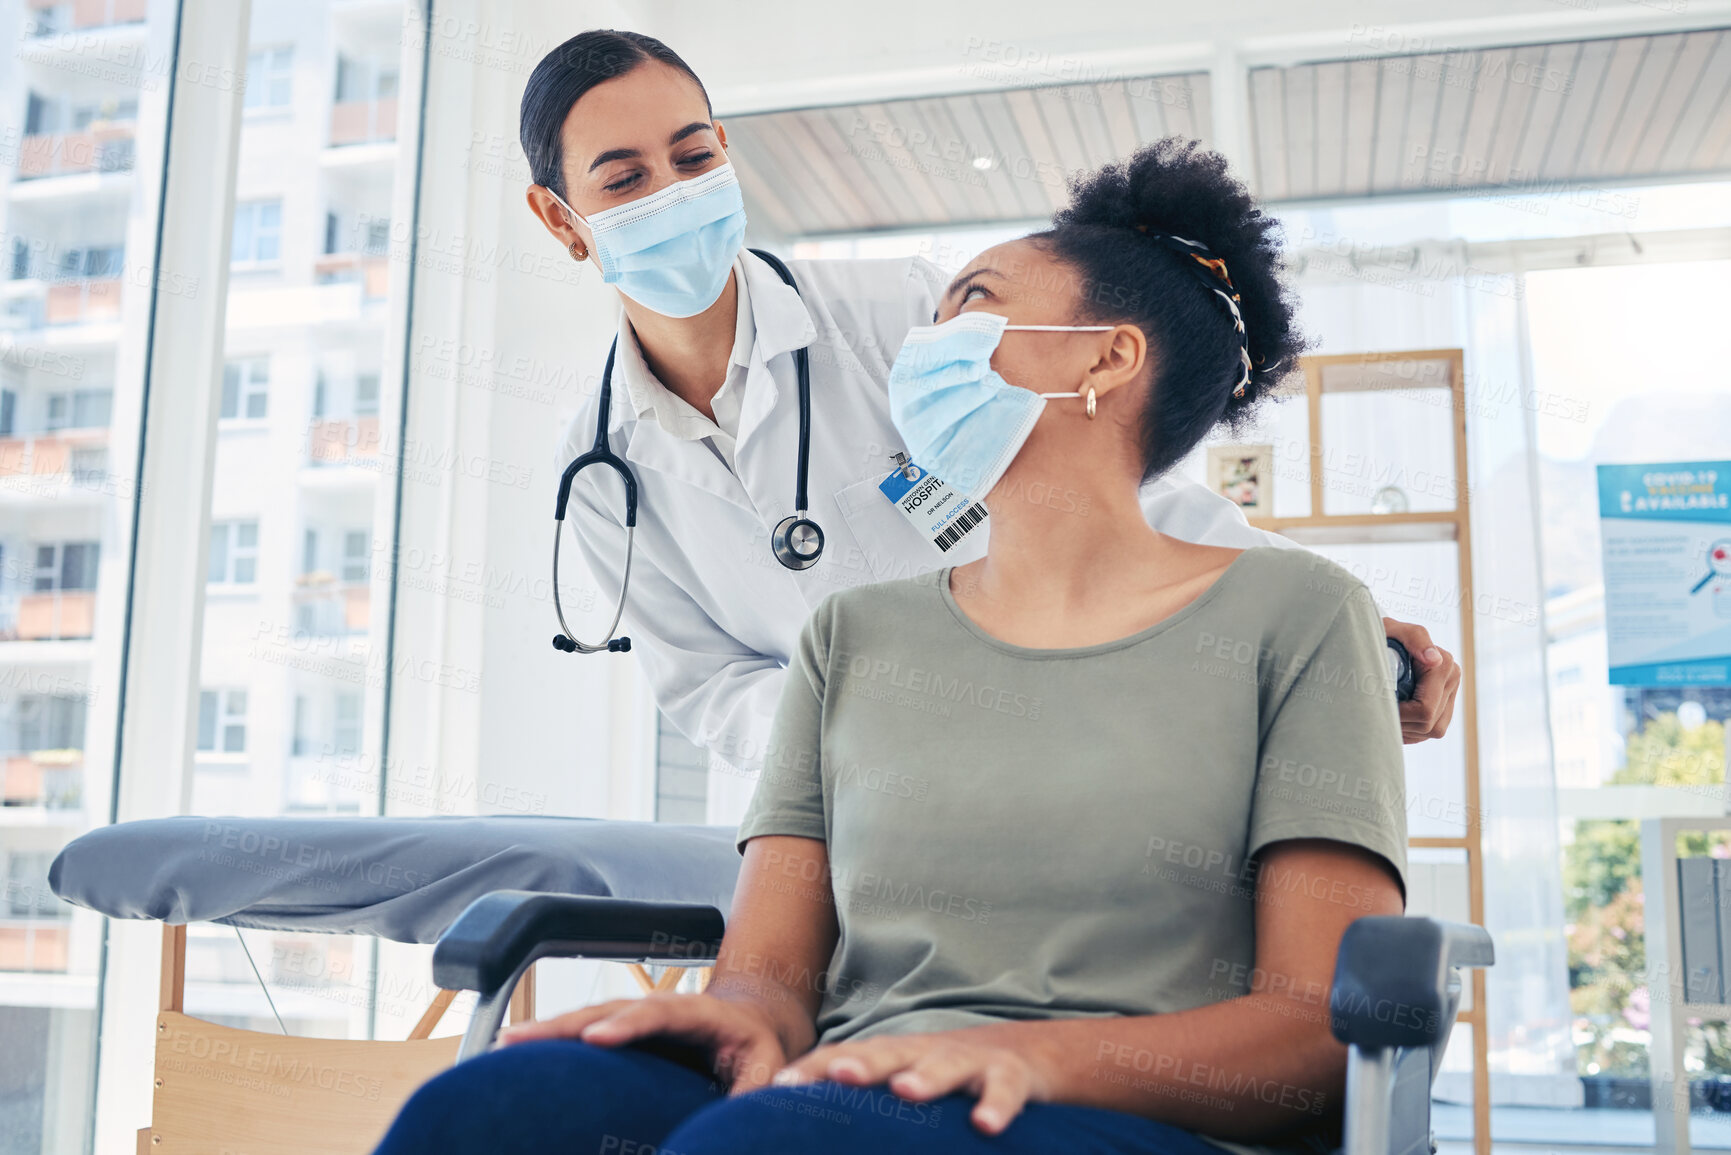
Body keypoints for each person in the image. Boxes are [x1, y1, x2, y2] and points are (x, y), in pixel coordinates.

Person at [377, 139, 1407, 1155]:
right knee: (489, 1115)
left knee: (772, 1146)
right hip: (850, 1088)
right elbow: (771, 975)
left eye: (971, 304)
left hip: (1132, 1113)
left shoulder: (1301, 616)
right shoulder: (854, 637)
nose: (926, 343)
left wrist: (1040, 1061)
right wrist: (742, 1016)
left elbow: (1316, 1028)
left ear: (1105, 356)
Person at [520, 29, 1461, 821]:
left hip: (1060, 733)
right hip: (856, 806)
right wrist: (870, 721)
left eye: (693, 158)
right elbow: (706, 685)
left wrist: (1327, 621)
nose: (674, 193)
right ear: (562, 222)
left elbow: (1113, 485)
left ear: (725, 149)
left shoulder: (898, 315)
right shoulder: (599, 475)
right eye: (624, 180)